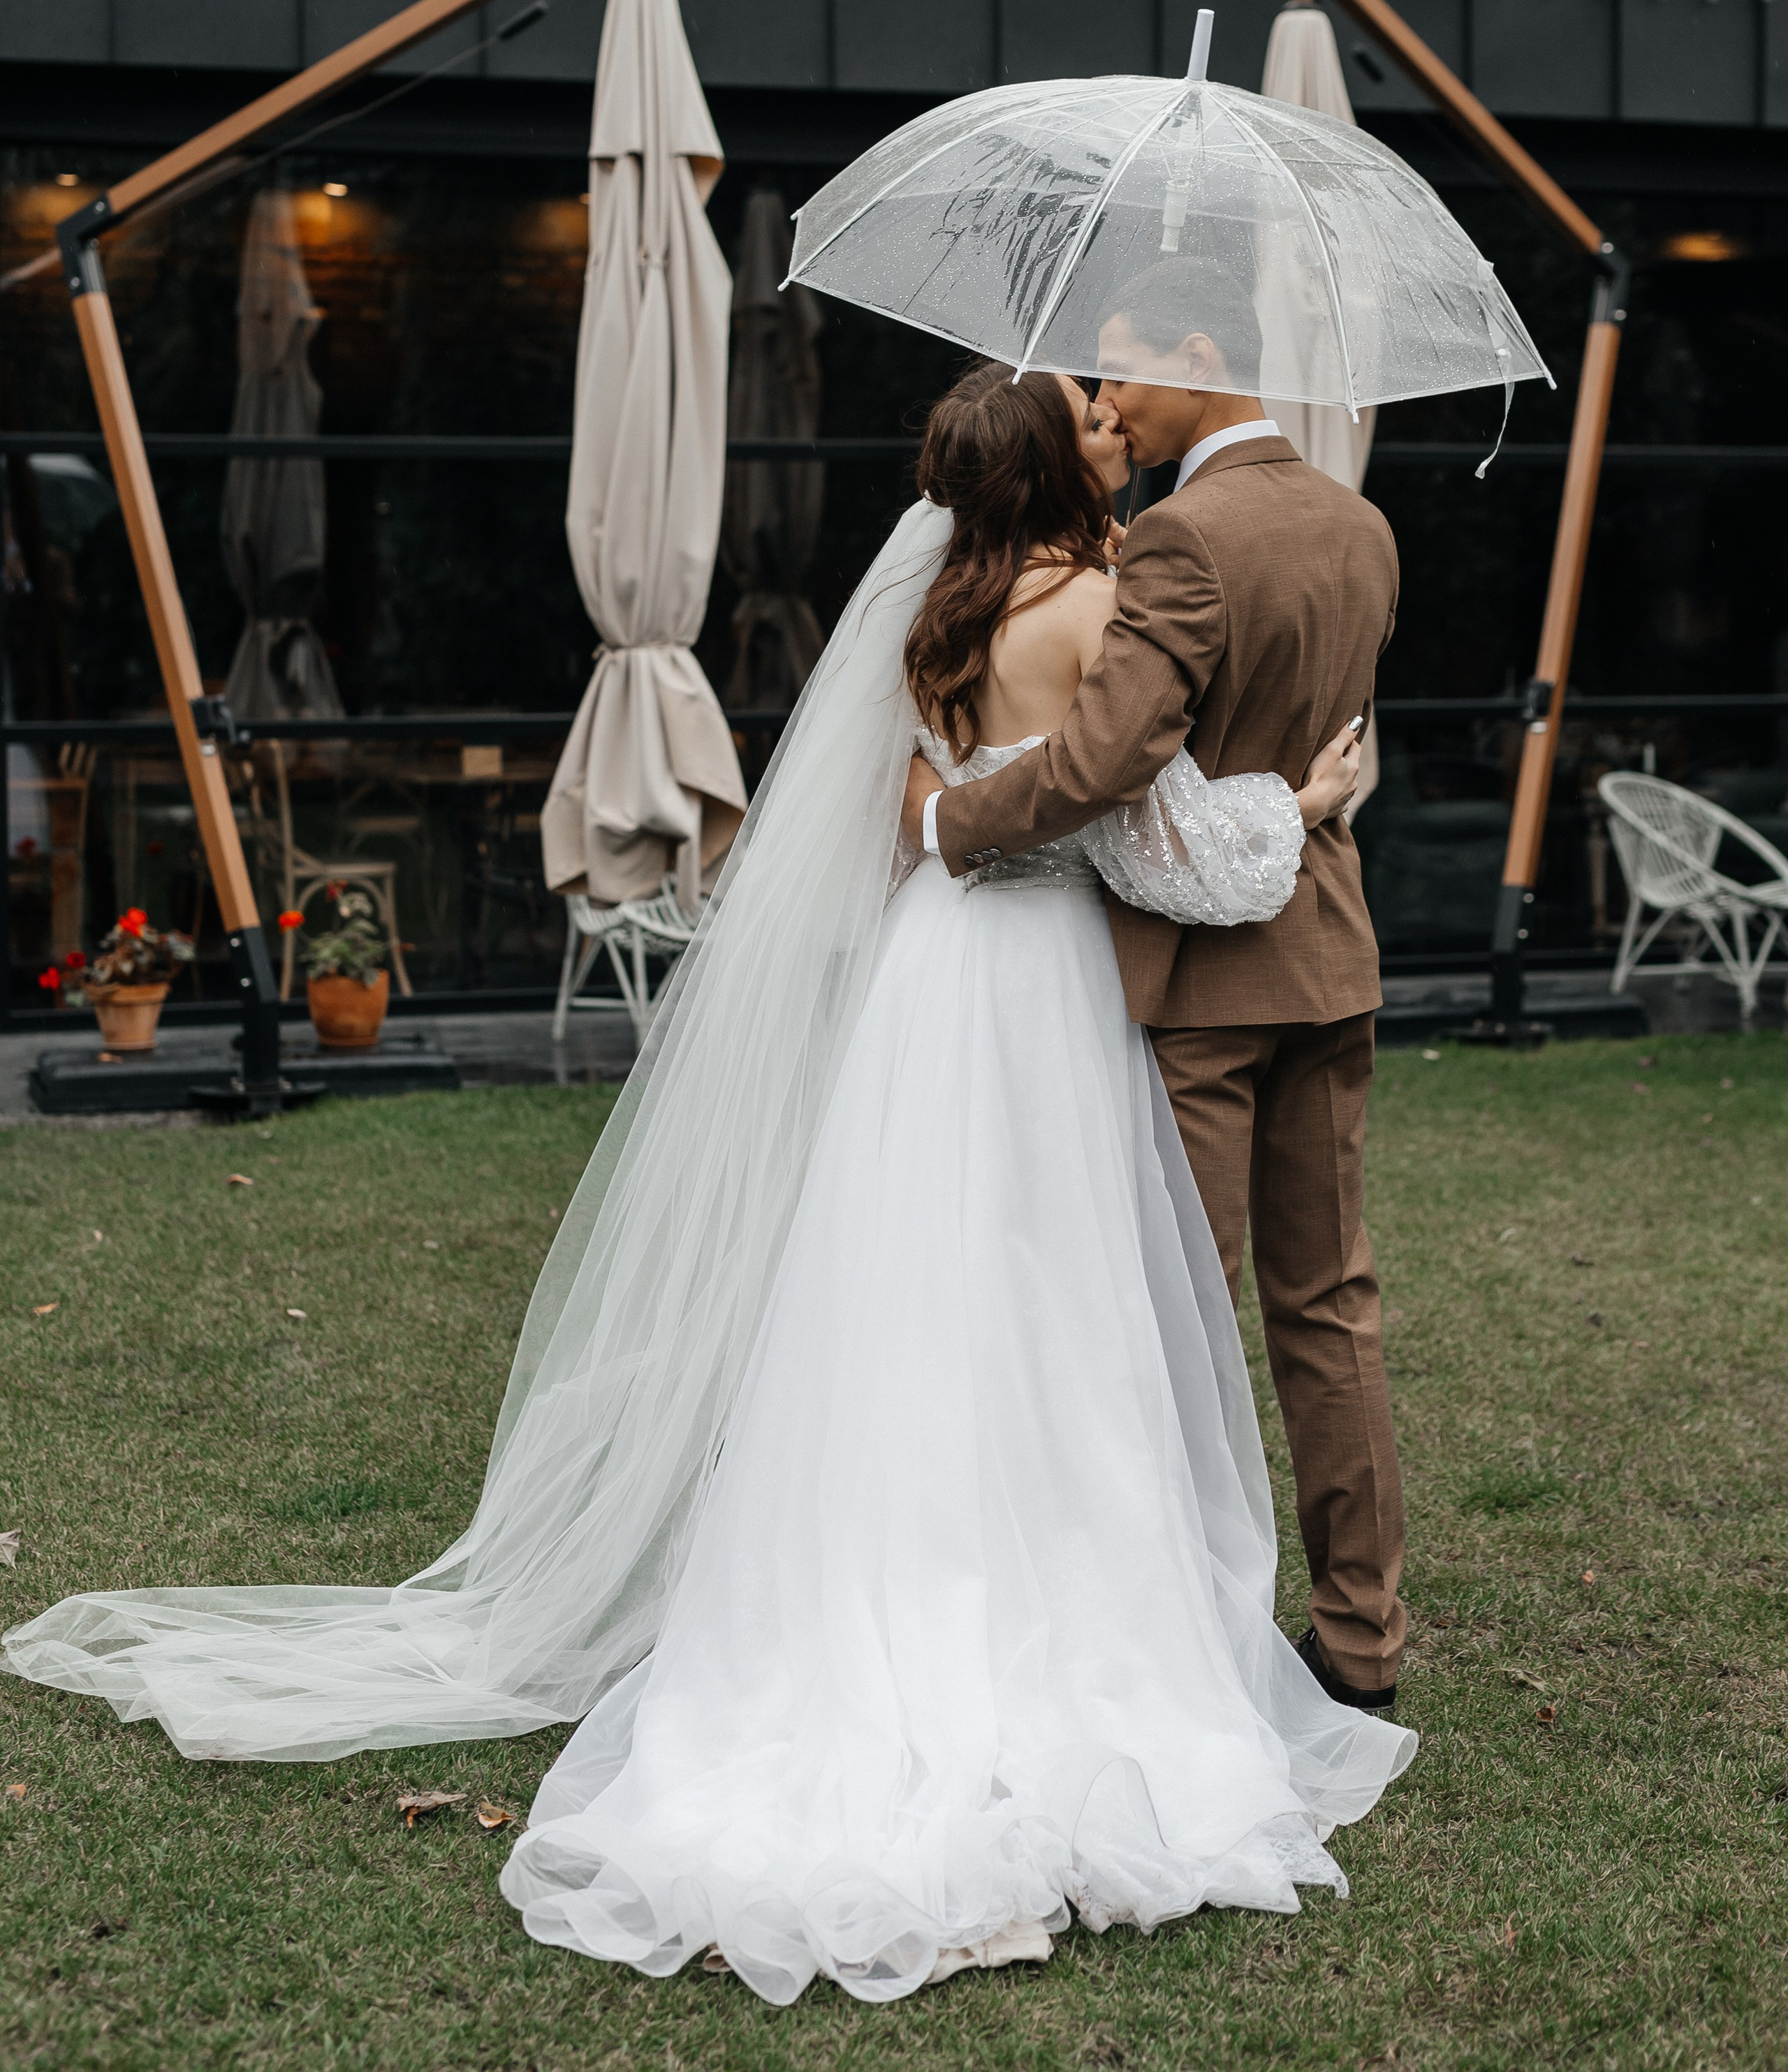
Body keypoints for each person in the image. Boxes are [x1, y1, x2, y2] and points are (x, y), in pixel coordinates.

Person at [3, 364, 1413, 2008]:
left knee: (909, 1286)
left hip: (929, 985)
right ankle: (1122, 1602)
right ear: (1048, 469)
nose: (1112, 424)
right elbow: (1140, 827)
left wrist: (942, 821)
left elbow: (909, 803)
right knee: (1071, 1295)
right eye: (1087, 421)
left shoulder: (931, 617)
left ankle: (882, 1573)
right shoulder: (1126, 594)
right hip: (1048, 977)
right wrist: (1297, 804)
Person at [904, 296, 1407, 1717]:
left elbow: (1100, 766)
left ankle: (1168, 1629)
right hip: (1328, 958)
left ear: (1201, 359)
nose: (1110, 402)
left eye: (1124, 369)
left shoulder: (1182, 538)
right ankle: (1362, 1639)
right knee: (1330, 1302)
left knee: (1167, 1315)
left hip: (1200, 984)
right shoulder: (1360, 526)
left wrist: (944, 822)